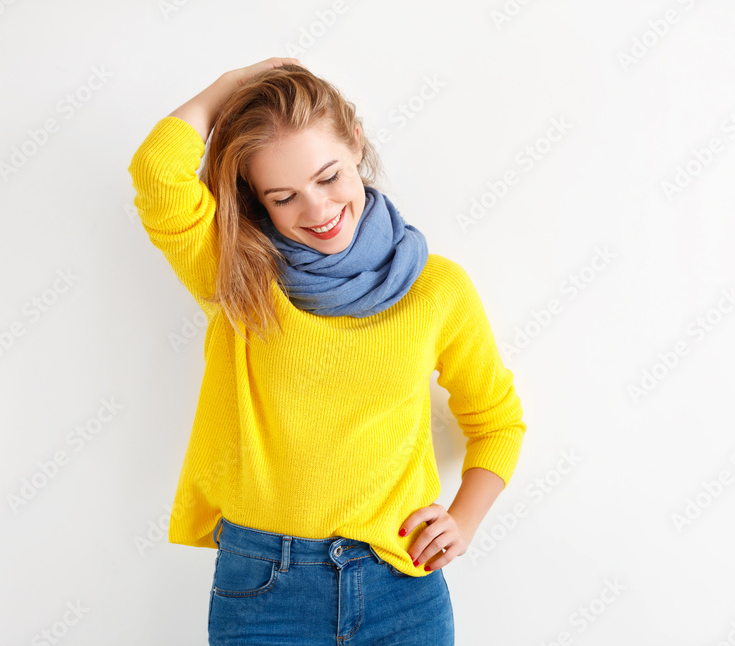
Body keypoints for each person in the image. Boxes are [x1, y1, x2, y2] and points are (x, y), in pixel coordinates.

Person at [127, 57, 528, 644]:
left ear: (356, 146)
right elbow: (158, 172)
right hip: (263, 590)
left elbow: (498, 422)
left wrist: (463, 520)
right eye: (283, 196)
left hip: (402, 584)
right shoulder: (239, 277)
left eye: (329, 177)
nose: (317, 211)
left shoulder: (438, 289)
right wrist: (233, 85)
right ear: (258, 200)